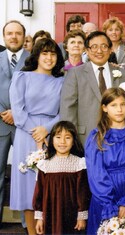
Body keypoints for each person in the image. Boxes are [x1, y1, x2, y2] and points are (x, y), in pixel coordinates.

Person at [9, 38, 64, 235]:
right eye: (44, 53)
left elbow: (64, 110)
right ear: (37, 56)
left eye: (53, 53)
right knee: (28, 187)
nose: (49, 58)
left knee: (51, 185)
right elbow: (18, 109)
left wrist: (47, 129)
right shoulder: (22, 77)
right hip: (26, 135)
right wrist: (37, 131)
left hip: (53, 134)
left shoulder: (62, 81)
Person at [85, 87, 125, 234]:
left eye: (123, 104)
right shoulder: (96, 137)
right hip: (104, 198)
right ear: (105, 108)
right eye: (114, 105)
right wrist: (110, 205)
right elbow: (96, 174)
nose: (119, 109)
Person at [60, 31, 125, 145]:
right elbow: (68, 108)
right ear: (87, 51)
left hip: (118, 138)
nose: (99, 51)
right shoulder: (75, 73)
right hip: (85, 138)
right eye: (94, 47)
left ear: (110, 49)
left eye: (104, 46)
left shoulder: (122, 74)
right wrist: (70, 137)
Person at [33, 121, 90, 235]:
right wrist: (40, 218)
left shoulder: (79, 163)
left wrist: (81, 216)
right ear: (52, 139)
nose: (62, 142)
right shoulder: (45, 165)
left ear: (74, 141)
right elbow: (39, 193)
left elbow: (83, 193)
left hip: (72, 216)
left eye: (67, 137)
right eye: (58, 137)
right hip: (51, 215)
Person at [0, 20, 29, 227]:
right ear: (4, 36)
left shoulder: (34, 59)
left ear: (24, 36)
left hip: (24, 126)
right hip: (0, 124)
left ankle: (26, 223)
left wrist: (16, 114)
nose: (13, 37)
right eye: (9, 33)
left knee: (26, 172)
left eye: (18, 33)